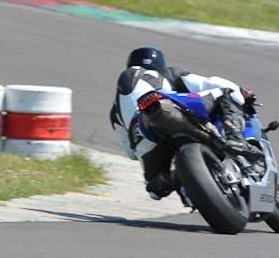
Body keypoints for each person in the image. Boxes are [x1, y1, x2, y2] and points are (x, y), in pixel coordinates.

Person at [109, 47, 257, 200]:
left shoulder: (115, 111)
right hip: (168, 109)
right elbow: (206, 83)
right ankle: (236, 138)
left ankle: (174, 178)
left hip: (145, 143)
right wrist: (242, 92)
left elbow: (130, 153)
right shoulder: (168, 74)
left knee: (155, 187)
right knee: (226, 92)